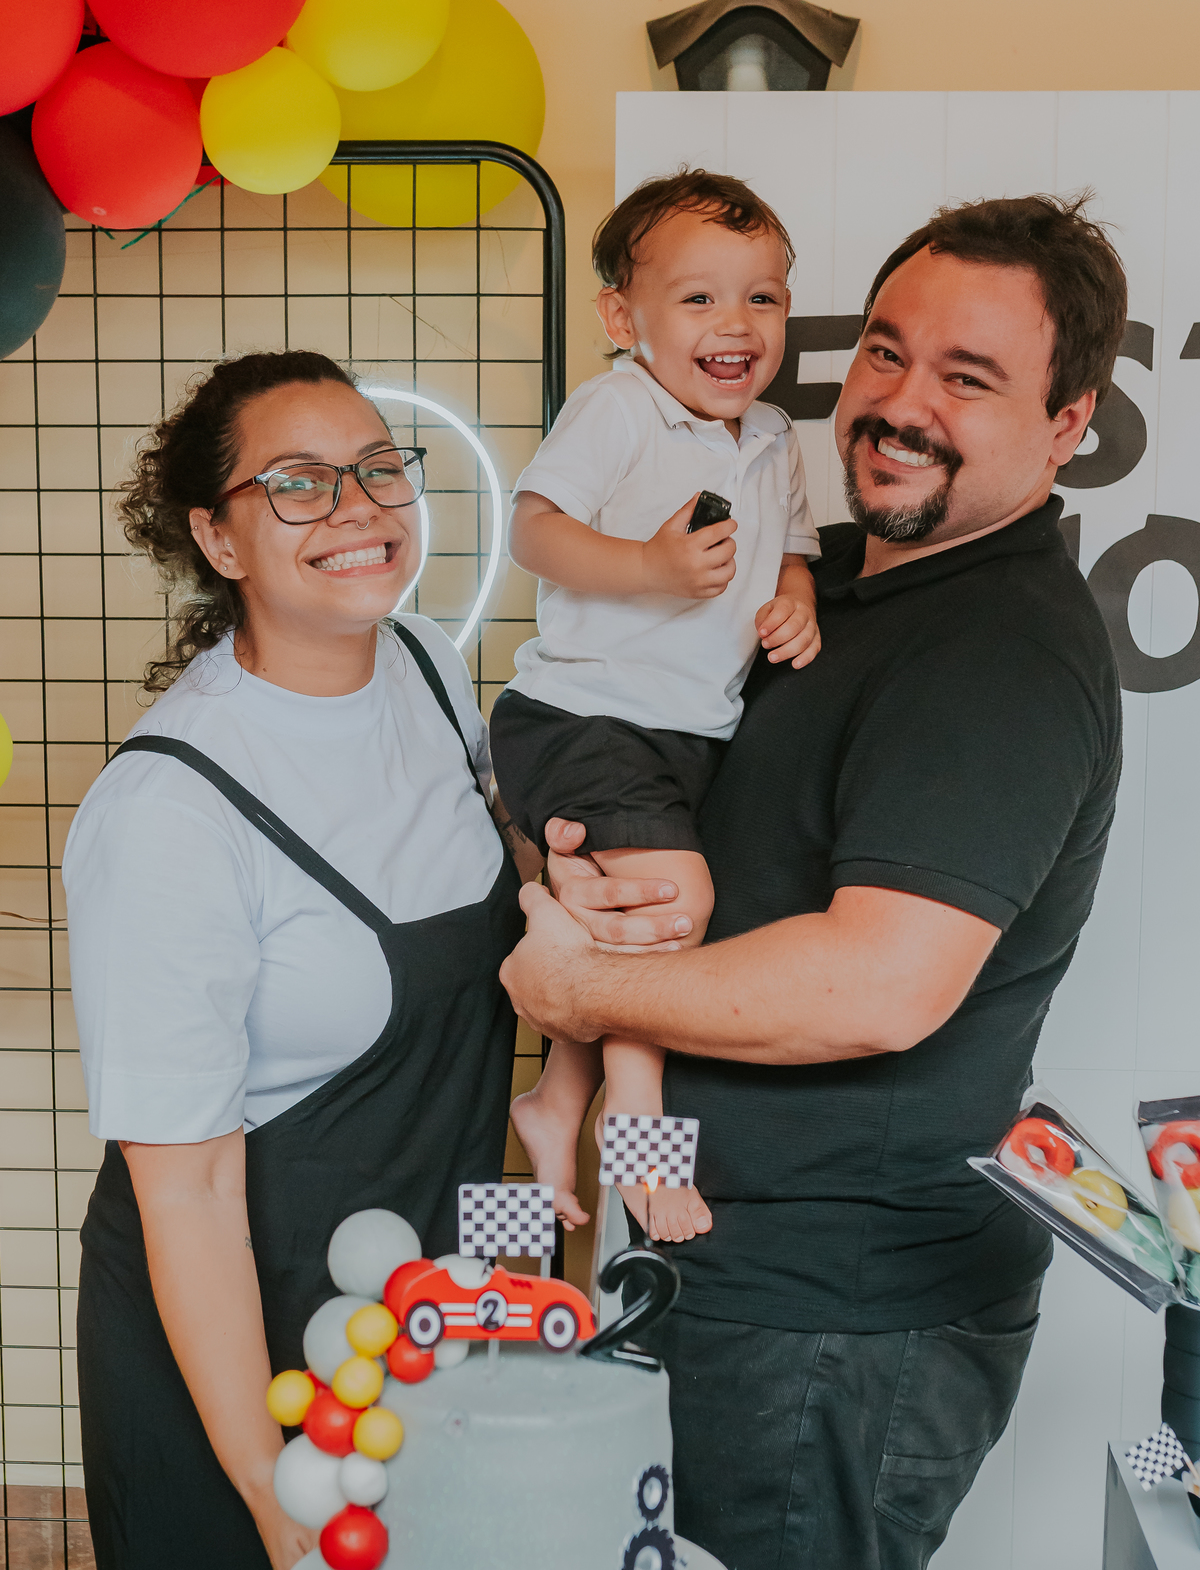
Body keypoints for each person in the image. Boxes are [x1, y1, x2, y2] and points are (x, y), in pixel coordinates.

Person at [499, 195, 1127, 1570]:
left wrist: (576, 986)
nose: (901, 404)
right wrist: (569, 869)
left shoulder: (1001, 653)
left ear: (1067, 422)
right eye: (886, 352)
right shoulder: (814, 581)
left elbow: (877, 985)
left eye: (968, 378)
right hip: (714, 1270)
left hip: (832, 1323)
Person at [62, 351, 684, 1570]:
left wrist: (572, 878)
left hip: (410, 1315)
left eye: (378, 467)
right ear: (219, 538)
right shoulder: (168, 810)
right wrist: (268, 1485)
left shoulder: (424, 669)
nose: (356, 507)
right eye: (297, 483)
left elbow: (487, 872)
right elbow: (186, 1191)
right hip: (240, 1358)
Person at [489, 170, 821, 1246]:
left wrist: (796, 601)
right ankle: (636, 1129)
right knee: (672, 908)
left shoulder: (773, 435)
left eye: (763, 297)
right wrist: (646, 565)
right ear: (623, 319)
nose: (737, 323)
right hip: (584, 714)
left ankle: (555, 1100)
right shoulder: (619, 407)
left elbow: (796, 551)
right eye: (699, 298)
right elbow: (534, 529)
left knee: (614, 917)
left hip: (690, 732)